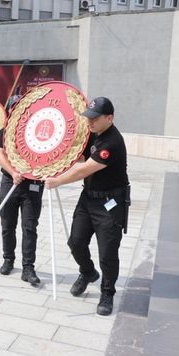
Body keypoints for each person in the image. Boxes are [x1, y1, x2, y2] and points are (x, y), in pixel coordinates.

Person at [45, 97, 130, 316]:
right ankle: (88, 271)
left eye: (94, 118)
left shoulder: (112, 142)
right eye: (88, 117)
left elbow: (86, 169)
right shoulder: (94, 135)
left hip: (110, 204)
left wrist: (58, 180)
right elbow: (79, 156)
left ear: (109, 118)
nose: (89, 122)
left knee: (108, 253)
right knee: (76, 241)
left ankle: (107, 292)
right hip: (88, 198)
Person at [0, 125, 43, 285]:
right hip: (10, 180)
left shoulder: (40, 127)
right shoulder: (6, 130)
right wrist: (13, 172)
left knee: (29, 227)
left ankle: (28, 267)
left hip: (33, 184)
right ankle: (8, 259)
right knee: (7, 224)